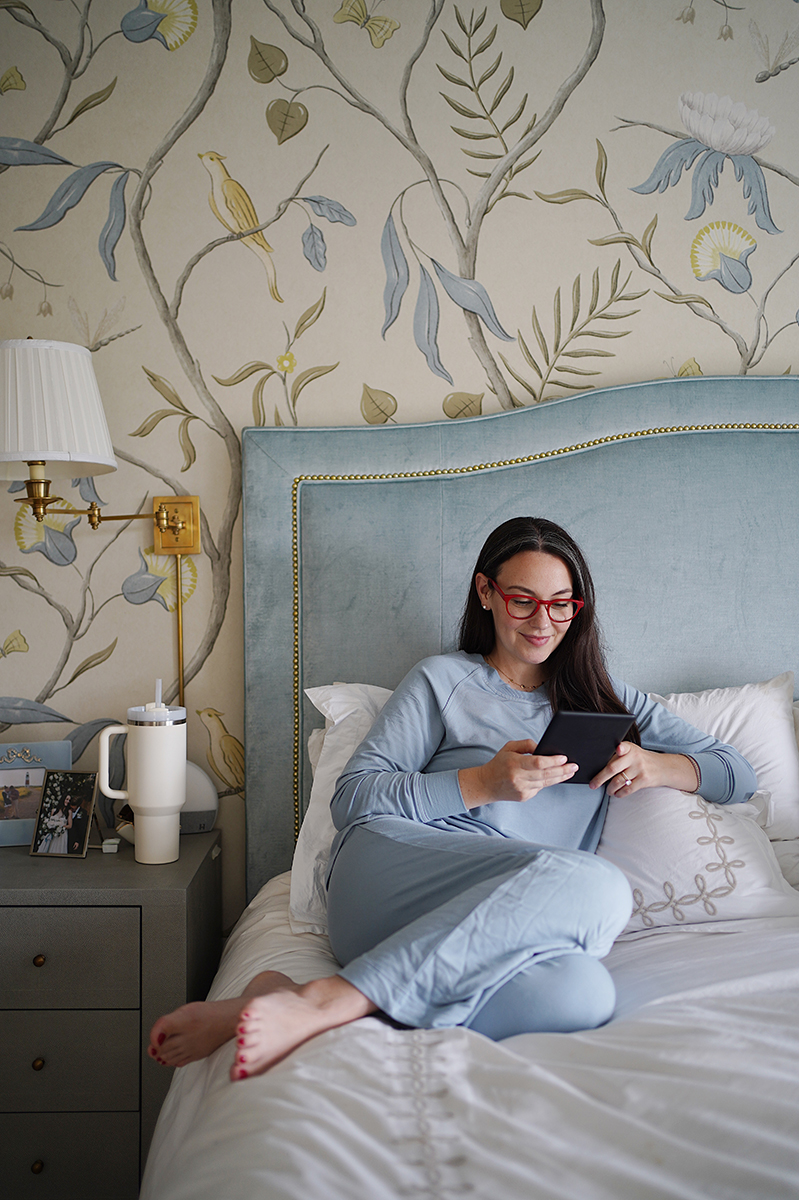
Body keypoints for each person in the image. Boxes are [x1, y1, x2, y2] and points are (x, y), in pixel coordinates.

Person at [148, 517, 757, 1080]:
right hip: (399, 875)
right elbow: (354, 799)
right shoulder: (442, 680)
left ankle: (282, 998)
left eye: (562, 604)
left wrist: (655, 764)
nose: (543, 622)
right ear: (486, 593)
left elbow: (739, 773)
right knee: (600, 887)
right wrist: (482, 784)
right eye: (523, 601)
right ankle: (324, 999)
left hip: (505, 908)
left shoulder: (609, 700)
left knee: (582, 994)